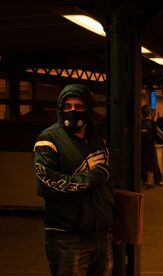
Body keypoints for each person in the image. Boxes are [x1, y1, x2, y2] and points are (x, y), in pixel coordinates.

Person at [33, 84, 114, 275]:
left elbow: (108, 182)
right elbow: (47, 186)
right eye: (67, 106)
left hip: (102, 234)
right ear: (60, 109)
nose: (73, 111)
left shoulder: (96, 139)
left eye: (79, 106)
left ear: (89, 109)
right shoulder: (48, 140)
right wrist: (94, 175)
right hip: (68, 238)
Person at [141, 105, 163, 188]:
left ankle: (145, 180)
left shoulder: (139, 122)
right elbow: (155, 135)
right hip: (150, 145)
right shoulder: (152, 123)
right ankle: (150, 182)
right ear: (149, 113)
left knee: (144, 162)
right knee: (151, 162)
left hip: (141, 145)